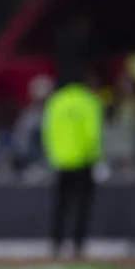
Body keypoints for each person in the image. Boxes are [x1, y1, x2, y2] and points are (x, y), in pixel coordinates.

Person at [42, 71, 103, 259]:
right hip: (84, 161)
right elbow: (93, 133)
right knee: (82, 207)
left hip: (62, 161)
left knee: (61, 206)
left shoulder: (57, 100)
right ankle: (78, 245)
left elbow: (47, 130)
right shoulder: (89, 101)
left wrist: (53, 155)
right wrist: (94, 157)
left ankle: (56, 244)